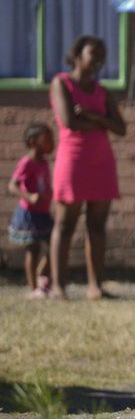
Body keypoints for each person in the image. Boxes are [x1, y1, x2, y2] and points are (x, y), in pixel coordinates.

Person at [49, 36, 127, 301]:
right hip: (72, 160)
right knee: (64, 224)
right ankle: (59, 287)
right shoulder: (62, 83)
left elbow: (122, 129)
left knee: (97, 226)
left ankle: (96, 286)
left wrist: (94, 116)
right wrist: (104, 123)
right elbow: (69, 121)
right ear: (78, 54)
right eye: (93, 53)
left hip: (101, 162)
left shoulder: (104, 92)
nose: (98, 59)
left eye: (102, 55)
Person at [7, 123, 55, 298]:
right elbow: (12, 185)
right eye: (47, 139)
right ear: (34, 142)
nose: (52, 143)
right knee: (32, 249)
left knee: (53, 245)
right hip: (29, 214)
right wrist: (28, 197)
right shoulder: (26, 162)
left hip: (44, 212)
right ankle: (33, 288)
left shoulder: (44, 162)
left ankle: (41, 275)